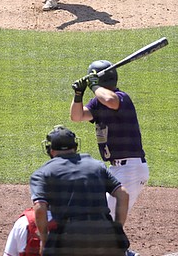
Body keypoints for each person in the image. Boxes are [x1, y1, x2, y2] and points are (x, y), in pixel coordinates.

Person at [70, 60, 150, 255]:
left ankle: (121, 252)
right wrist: (78, 95)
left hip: (130, 168)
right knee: (102, 214)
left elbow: (111, 101)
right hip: (116, 168)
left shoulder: (121, 98)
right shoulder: (99, 102)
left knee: (104, 216)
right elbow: (77, 116)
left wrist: (94, 85)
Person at [30, 125, 130, 256]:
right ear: (75, 146)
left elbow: (39, 207)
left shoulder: (42, 173)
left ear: (50, 150)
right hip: (104, 234)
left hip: (70, 237)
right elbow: (123, 194)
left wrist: (44, 240)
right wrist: (117, 228)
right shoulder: (97, 166)